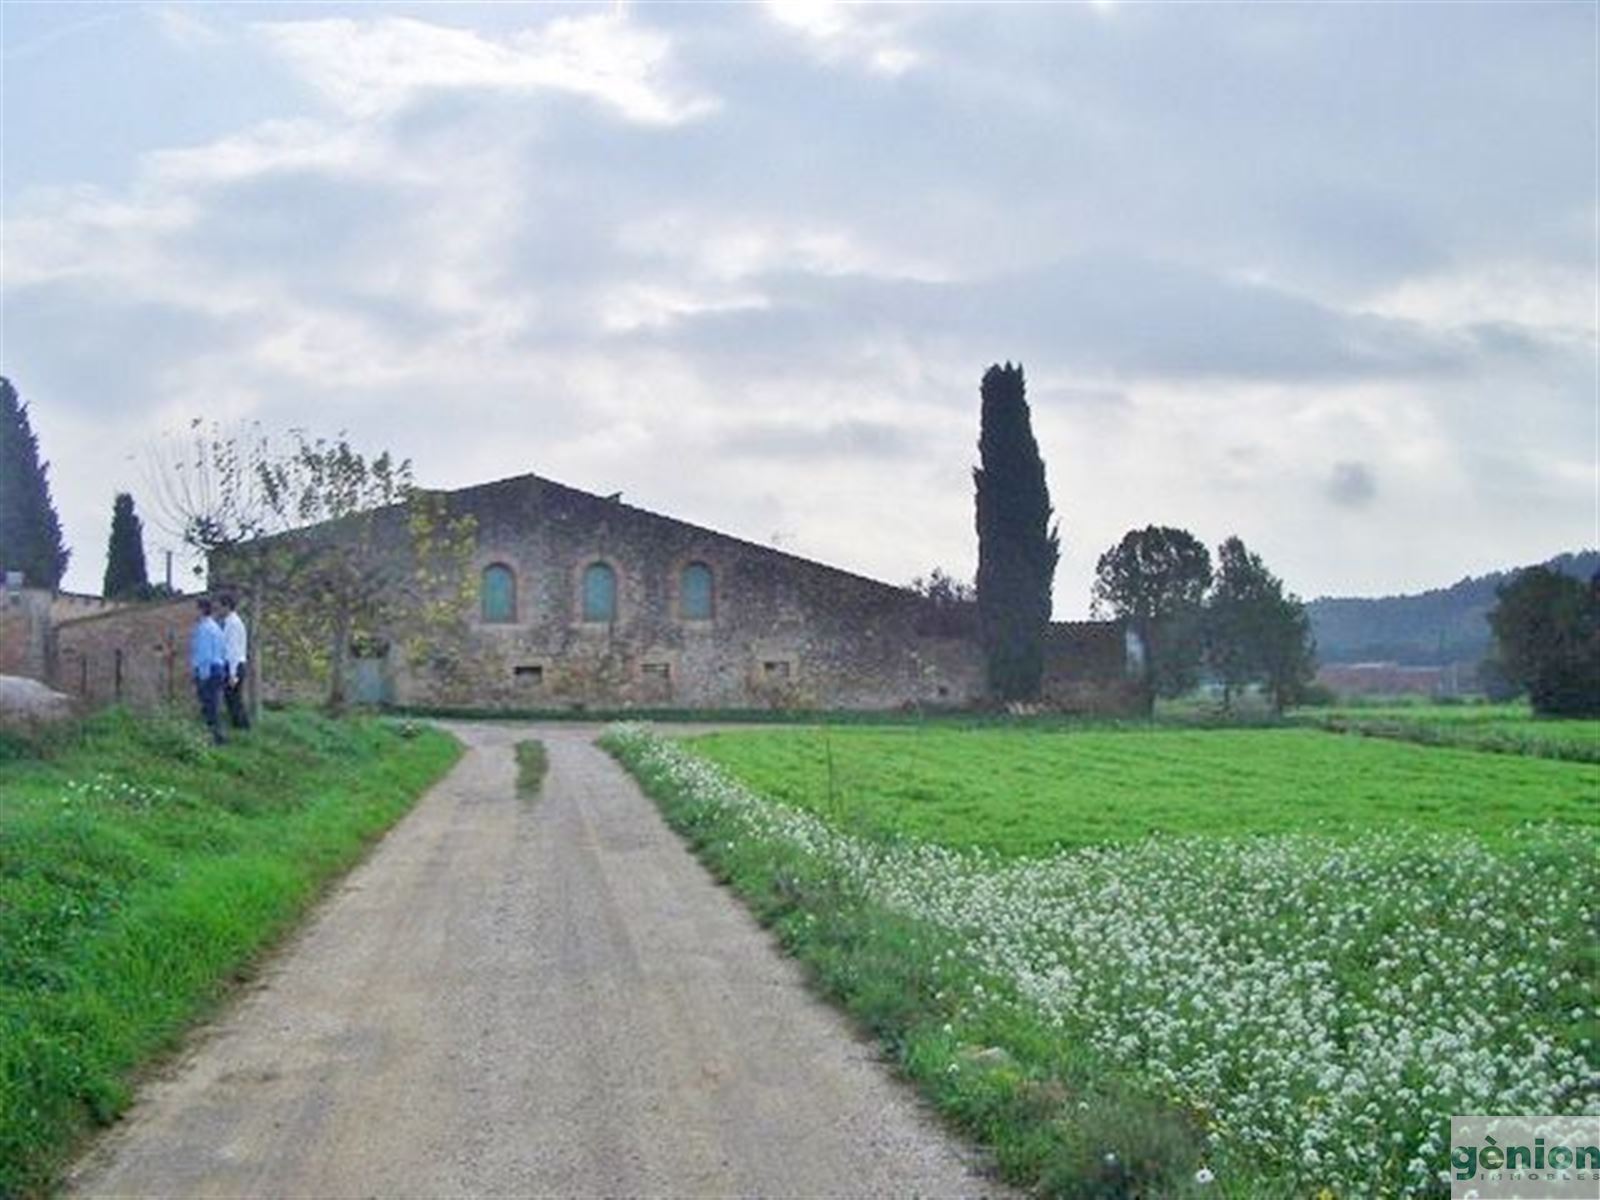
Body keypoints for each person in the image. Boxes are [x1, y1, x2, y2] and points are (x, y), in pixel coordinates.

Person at [190, 597, 228, 745]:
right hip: (218, 668)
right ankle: (216, 736)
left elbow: (204, 654)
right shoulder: (216, 627)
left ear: (202, 610)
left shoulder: (204, 629)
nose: (194, 612)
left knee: (208, 706)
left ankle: (215, 738)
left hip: (209, 670)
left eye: (196, 608)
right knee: (214, 704)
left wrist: (202, 675)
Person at [218, 592, 251, 730]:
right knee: (233, 698)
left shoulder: (232, 623)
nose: (218, 609)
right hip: (236, 664)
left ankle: (242, 726)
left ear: (226, 606)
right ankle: (240, 726)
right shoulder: (232, 622)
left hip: (234, 665)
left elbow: (233, 650)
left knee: (233, 698)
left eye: (220, 606)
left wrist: (232, 674)